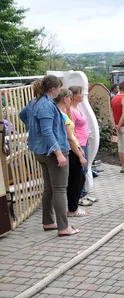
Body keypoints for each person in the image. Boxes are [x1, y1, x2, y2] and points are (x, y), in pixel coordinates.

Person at [18, 75, 79, 236]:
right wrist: (59, 154)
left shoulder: (35, 102)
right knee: (59, 189)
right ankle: (63, 227)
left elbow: (22, 115)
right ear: (53, 89)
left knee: (49, 188)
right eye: (59, 87)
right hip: (52, 153)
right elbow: (47, 132)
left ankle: (48, 222)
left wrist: (33, 129)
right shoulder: (45, 105)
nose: (60, 90)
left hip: (41, 152)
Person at [54, 89, 88, 218]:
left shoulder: (60, 113)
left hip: (71, 148)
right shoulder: (61, 115)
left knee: (78, 178)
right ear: (65, 99)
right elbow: (70, 137)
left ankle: (72, 206)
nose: (71, 99)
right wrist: (79, 154)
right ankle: (73, 209)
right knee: (76, 180)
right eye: (69, 98)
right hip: (71, 150)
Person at [70, 86, 96, 206]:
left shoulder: (78, 107)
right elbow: (71, 130)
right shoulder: (69, 110)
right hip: (78, 143)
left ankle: (84, 193)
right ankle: (79, 196)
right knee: (80, 170)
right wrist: (78, 146)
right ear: (74, 96)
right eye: (81, 93)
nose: (83, 95)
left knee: (85, 169)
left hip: (84, 141)